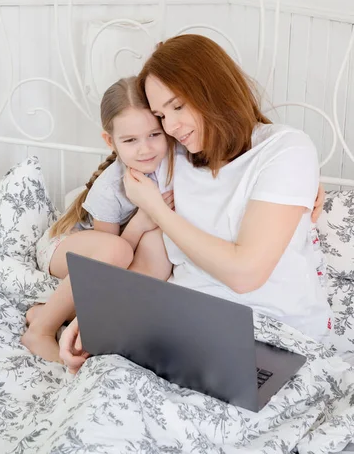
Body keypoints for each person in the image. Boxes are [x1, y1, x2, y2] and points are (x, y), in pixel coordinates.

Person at [59, 34, 329, 374]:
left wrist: (155, 209)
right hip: (183, 329)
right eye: (161, 115)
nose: (171, 126)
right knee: (103, 391)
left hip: (272, 336)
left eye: (177, 106)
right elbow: (148, 254)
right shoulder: (174, 155)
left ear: (213, 88)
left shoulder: (285, 151)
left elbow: (245, 274)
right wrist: (95, 320)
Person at [22, 77, 173, 362]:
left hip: (107, 257)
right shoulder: (110, 187)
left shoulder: (171, 166)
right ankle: (40, 330)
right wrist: (141, 222)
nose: (145, 149)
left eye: (154, 135)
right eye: (130, 140)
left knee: (159, 247)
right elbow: (111, 258)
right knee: (119, 250)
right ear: (110, 141)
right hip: (64, 249)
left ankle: (54, 313)